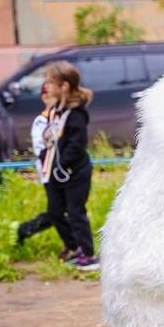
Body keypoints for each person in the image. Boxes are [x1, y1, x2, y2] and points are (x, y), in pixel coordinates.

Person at [39, 61, 98, 271]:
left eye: (51, 83)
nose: (47, 87)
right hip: (57, 172)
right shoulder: (58, 110)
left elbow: (76, 145)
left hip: (75, 172)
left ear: (64, 86)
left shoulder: (76, 115)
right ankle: (74, 247)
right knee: (55, 211)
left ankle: (88, 253)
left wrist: (62, 164)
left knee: (75, 212)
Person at [15, 90, 56, 247]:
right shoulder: (41, 121)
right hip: (49, 173)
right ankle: (25, 230)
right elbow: (41, 150)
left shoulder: (59, 117)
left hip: (61, 172)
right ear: (45, 98)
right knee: (56, 213)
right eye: (52, 96)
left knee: (63, 212)